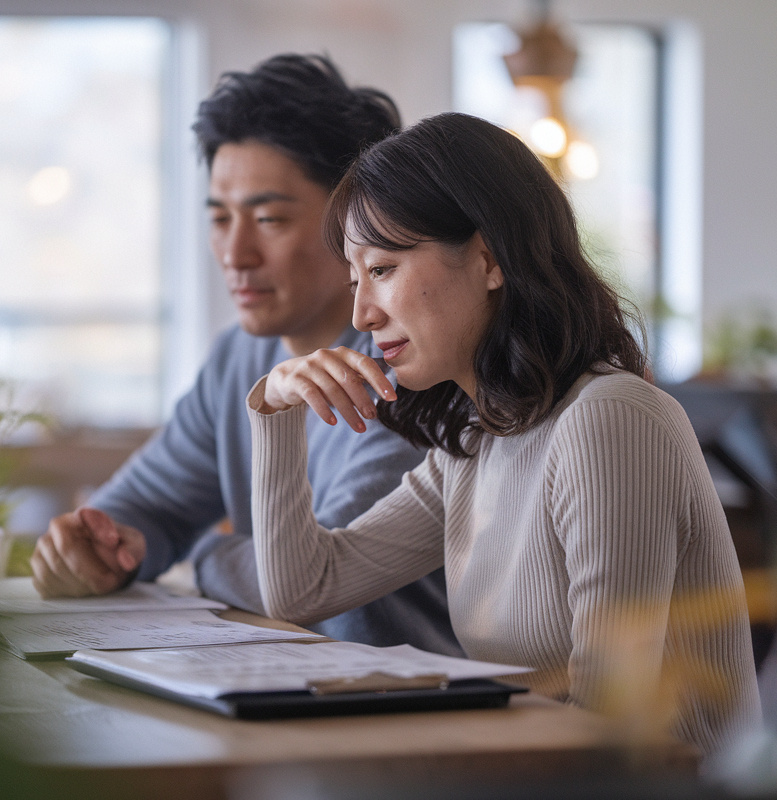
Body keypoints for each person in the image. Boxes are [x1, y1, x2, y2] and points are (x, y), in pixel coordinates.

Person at [248, 111, 761, 758]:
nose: (360, 314)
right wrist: (277, 406)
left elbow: (603, 729)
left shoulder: (610, 419)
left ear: (489, 259)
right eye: (356, 280)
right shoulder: (477, 441)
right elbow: (303, 590)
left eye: (382, 270)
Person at [30, 54, 461, 655]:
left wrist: (202, 554)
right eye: (219, 218)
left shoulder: (411, 364)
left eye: (269, 218)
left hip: (406, 708)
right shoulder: (240, 354)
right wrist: (98, 548)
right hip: (283, 689)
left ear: (360, 218)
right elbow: (141, 505)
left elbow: (310, 575)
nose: (236, 253)